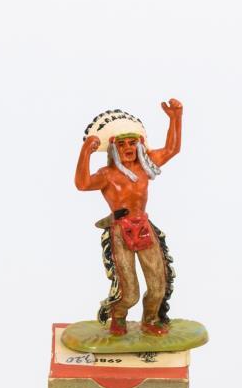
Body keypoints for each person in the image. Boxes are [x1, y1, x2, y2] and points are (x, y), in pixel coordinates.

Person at [75, 101, 183, 334]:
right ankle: (118, 316)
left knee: (158, 284)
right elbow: (82, 184)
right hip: (119, 231)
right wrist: (85, 152)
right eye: (122, 144)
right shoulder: (107, 175)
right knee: (129, 291)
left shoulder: (145, 165)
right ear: (114, 148)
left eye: (132, 143)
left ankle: (150, 320)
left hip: (143, 227)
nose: (128, 148)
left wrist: (176, 117)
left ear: (140, 144)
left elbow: (172, 149)